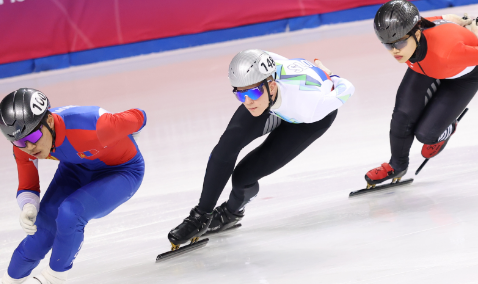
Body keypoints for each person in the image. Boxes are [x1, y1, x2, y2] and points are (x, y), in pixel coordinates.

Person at [167, 49, 355, 249]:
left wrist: (332, 76)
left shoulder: (309, 106)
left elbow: (348, 89)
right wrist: (255, 92)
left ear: (271, 86)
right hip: (275, 101)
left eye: (253, 93)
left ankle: (231, 212)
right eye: (240, 94)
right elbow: (259, 61)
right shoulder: (259, 81)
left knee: (243, 177)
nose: (247, 101)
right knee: (226, 147)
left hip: (307, 119)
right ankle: (200, 217)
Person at [0, 88, 147, 284]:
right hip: (76, 169)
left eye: (33, 138)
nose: (29, 148)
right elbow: (28, 184)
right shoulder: (25, 140)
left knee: (71, 212)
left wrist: (122, 131)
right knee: (41, 232)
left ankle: (55, 278)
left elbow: (140, 116)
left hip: (121, 171)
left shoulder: (94, 126)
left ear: (49, 121)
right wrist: (28, 205)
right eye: (18, 142)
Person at [365, 0, 478, 188]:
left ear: (417, 34)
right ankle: (397, 165)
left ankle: (448, 126)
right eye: (388, 45)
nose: (395, 51)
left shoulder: (448, 53)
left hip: (463, 76)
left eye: (401, 42)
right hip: (426, 68)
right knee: (402, 117)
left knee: (426, 135)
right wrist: (448, 18)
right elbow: (436, 19)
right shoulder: (413, 32)